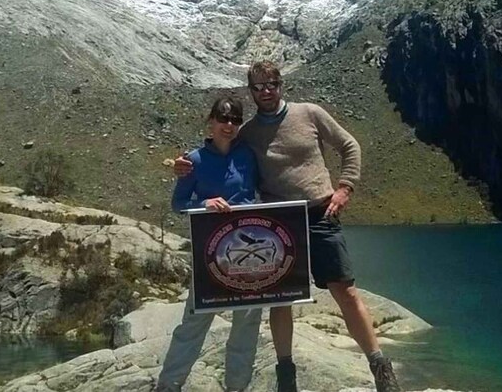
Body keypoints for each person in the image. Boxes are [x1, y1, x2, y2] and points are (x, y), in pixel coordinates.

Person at [174, 61, 401, 392]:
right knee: (282, 298)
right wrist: (183, 164)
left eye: (272, 84)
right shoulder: (247, 131)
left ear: (281, 85)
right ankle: (286, 375)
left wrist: (345, 186)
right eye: (258, 86)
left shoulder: (310, 113)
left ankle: (381, 368)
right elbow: (219, 152)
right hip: (279, 221)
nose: (266, 91)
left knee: (345, 290)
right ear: (251, 91)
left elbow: (349, 145)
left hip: (321, 212)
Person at [155, 96, 263, 392]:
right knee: (193, 325)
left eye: (235, 119)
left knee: (247, 326)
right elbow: (178, 203)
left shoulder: (248, 156)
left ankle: (237, 387)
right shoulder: (194, 160)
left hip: (248, 256)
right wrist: (204, 203)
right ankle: (168, 385)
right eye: (223, 118)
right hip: (211, 255)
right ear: (211, 122)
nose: (229, 125)